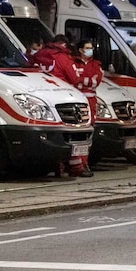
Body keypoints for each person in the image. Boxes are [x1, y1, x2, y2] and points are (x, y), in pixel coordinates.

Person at [29, 34, 85, 177]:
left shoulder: (38, 55)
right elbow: (74, 78)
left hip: (38, 98)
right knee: (71, 133)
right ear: (64, 45)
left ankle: (55, 166)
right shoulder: (63, 58)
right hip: (61, 98)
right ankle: (75, 168)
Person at [73, 39, 102, 177]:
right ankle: (76, 165)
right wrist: (85, 81)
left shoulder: (95, 65)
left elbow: (96, 81)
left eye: (91, 47)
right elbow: (73, 79)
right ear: (80, 50)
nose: (90, 50)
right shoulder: (73, 63)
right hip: (77, 101)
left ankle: (84, 163)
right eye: (87, 47)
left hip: (90, 103)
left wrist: (81, 80)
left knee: (87, 135)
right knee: (77, 134)